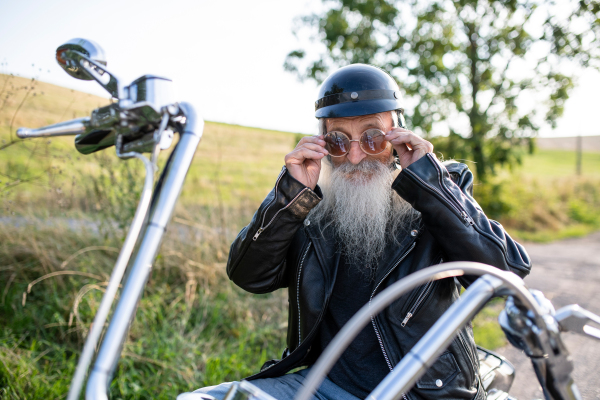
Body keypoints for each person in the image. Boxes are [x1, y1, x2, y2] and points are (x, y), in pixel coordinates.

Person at [179, 64, 531, 400]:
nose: (355, 155)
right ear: (322, 143)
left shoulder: (438, 190)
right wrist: (290, 194)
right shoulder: (312, 207)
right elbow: (249, 276)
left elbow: (505, 273)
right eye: (338, 141)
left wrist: (431, 183)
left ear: (398, 135)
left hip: (421, 393)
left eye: (373, 137)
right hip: (321, 387)